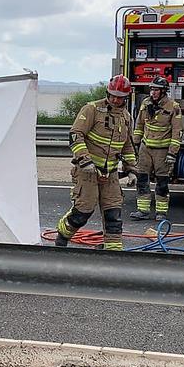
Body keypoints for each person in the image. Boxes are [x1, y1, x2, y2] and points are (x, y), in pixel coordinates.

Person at [55, 75, 136, 250]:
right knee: (83, 212)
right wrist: (85, 160)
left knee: (113, 214)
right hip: (87, 172)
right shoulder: (92, 109)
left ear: (126, 97)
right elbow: (75, 135)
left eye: (120, 96)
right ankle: (61, 237)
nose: (115, 99)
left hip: (111, 174)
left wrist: (131, 169)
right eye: (113, 95)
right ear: (107, 92)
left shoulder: (126, 117)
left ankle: (113, 252)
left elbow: (128, 145)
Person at [130, 76, 182, 221]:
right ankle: (143, 210)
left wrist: (172, 153)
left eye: (156, 90)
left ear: (164, 91)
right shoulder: (145, 103)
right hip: (145, 149)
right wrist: (136, 143)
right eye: (151, 89)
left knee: (162, 182)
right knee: (142, 179)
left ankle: (161, 212)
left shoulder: (173, 107)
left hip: (163, 151)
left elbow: (177, 132)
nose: (153, 92)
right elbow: (139, 124)